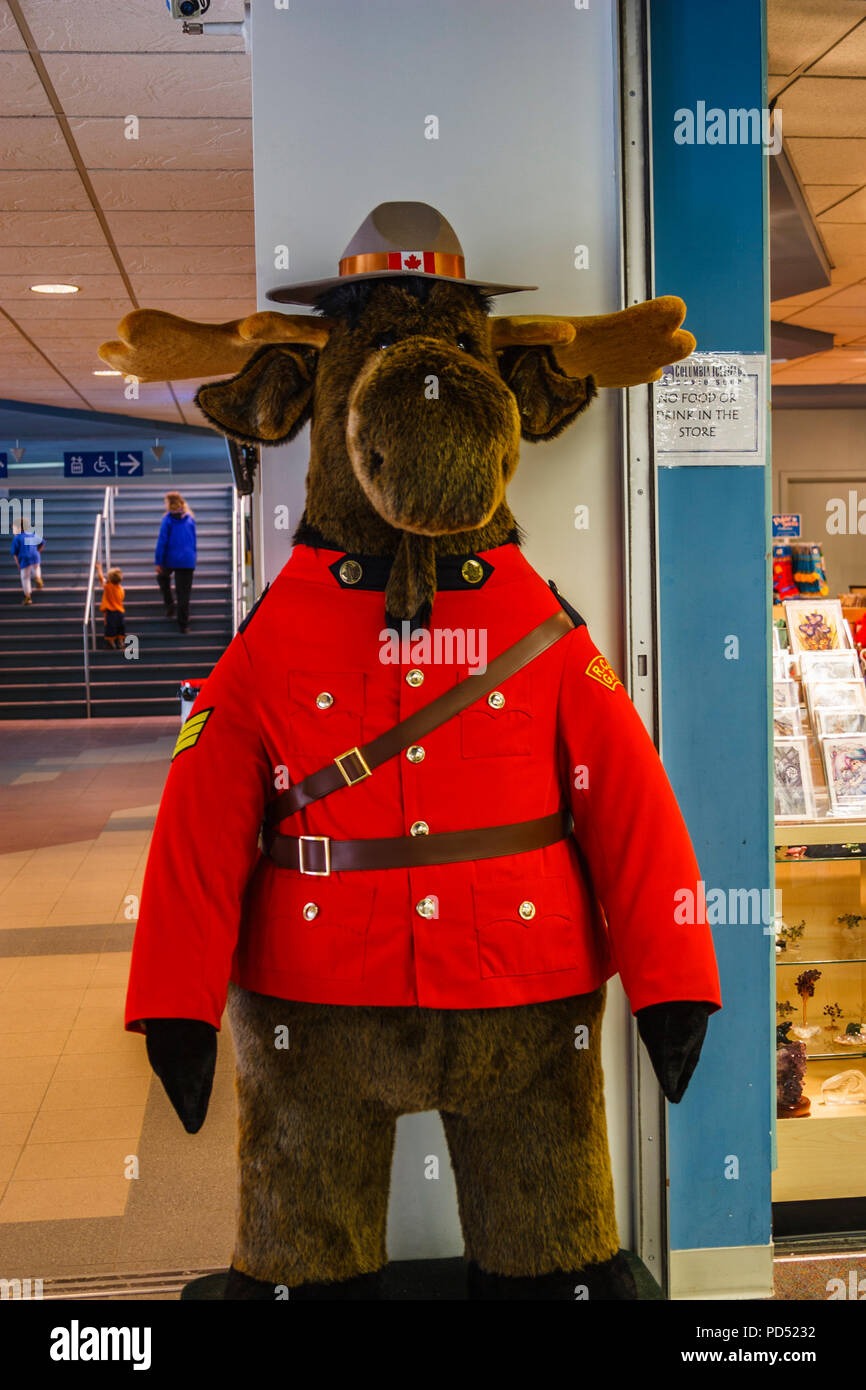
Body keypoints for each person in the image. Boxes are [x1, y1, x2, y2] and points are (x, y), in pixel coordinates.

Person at [154, 492, 197, 634]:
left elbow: (162, 541)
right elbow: (193, 541)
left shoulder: (167, 520)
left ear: (168, 503)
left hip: (170, 559)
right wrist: (193, 557)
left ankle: (169, 604)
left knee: (162, 577)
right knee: (183, 593)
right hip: (187, 560)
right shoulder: (190, 519)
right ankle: (184, 625)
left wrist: (158, 561)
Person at [11, 522, 44, 606]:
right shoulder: (31, 534)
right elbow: (42, 543)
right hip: (35, 556)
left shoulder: (17, 538)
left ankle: (28, 597)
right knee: (36, 568)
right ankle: (38, 579)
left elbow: (14, 554)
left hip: (24, 559)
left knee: (25, 577)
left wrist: (18, 564)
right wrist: (38, 551)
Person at [95, 561, 126, 650]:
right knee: (121, 628)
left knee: (110, 628)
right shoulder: (121, 589)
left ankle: (112, 644)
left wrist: (99, 568)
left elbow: (101, 579)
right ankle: (121, 643)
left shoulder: (108, 586)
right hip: (120, 612)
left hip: (111, 612)